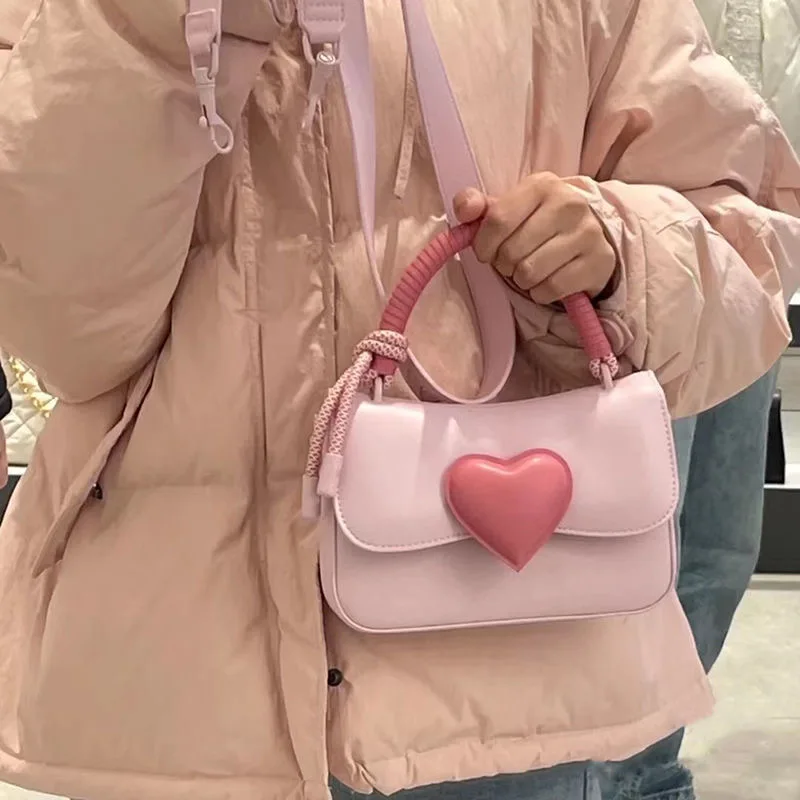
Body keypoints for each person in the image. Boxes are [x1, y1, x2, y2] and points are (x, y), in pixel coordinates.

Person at [0, 4, 798, 800]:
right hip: (181, 680)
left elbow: (745, 230)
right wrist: (155, 26)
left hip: (509, 680)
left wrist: (618, 251)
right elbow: (65, 334)